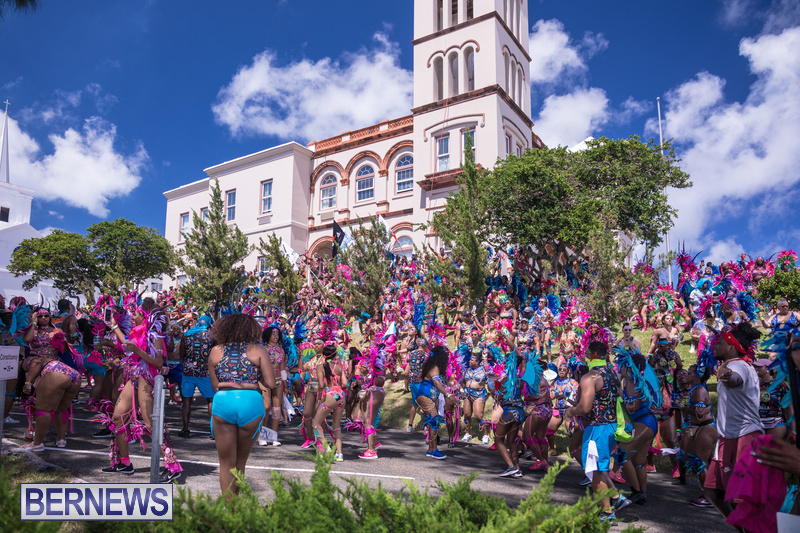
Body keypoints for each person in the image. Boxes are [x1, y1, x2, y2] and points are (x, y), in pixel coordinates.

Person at [207, 313, 275, 496]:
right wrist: (254, 378)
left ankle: (229, 510)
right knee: (240, 463)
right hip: (250, 401)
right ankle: (237, 509)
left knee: (226, 462)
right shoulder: (258, 350)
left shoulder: (216, 351)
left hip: (223, 400)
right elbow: (271, 382)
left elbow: (214, 385)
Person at [565, 341, 631, 522]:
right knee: (600, 468)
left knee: (594, 469)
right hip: (611, 426)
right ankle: (617, 498)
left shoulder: (590, 377)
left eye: (587, 353)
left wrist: (570, 411)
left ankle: (607, 513)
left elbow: (584, 408)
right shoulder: (612, 373)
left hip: (597, 428)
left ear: (592, 355)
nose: (585, 355)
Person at [703, 323, 763, 520]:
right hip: (728, 438)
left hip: (743, 437)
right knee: (713, 492)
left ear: (731, 347)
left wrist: (729, 377)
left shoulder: (737, 366)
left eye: (719, 342)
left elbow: (736, 379)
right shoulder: (738, 364)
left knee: (741, 500)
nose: (715, 345)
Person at [22, 349, 82, 451]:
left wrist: (27, 383)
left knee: (43, 409)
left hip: (56, 374)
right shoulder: (51, 359)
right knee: (61, 409)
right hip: (74, 376)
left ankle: (37, 443)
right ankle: (61, 439)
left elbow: (36, 363)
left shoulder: (31, 359)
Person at [178, 315, 215, 438]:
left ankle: (185, 429)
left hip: (188, 371)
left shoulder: (187, 334)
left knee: (186, 401)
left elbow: (182, 354)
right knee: (210, 400)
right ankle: (213, 431)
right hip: (205, 372)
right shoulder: (211, 336)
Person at [415, 345, 452, 459]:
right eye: (446, 356)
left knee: (433, 422)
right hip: (424, 396)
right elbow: (436, 384)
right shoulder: (434, 367)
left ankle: (431, 450)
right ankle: (434, 449)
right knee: (435, 420)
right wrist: (448, 394)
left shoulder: (437, 368)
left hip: (432, 398)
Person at [312, 344, 346, 461]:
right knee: (336, 427)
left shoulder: (321, 367)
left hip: (330, 395)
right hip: (341, 396)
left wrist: (321, 396)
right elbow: (345, 384)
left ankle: (326, 448)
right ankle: (339, 454)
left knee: (316, 423)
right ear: (335, 354)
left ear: (324, 355)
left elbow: (321, 385)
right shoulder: (339, 367)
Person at [259, 326, 286, 447]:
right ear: (267, 335)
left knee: (276, 409)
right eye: (273, 334)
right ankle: (262, 435)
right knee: (266, 407)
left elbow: (283, 368)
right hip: (265, 381)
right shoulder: (262, 349)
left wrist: (286, 385)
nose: (275, 337)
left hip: (279, 381)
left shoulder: (281, 351)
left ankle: (274, 436)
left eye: (277, 335)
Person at [460, 353, 488, 443]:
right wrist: (461, 391)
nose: (470, 361)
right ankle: (467, 434)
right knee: (467, 415)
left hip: (479, 395)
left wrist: (485, 358)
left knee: (478, 416)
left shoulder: (483, 370)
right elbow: (463, 382)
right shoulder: (468, 369)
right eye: (470, 360)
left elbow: (488, 370)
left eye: (472, 360)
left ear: (478, 362)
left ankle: (485, 435)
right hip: (467, 394)